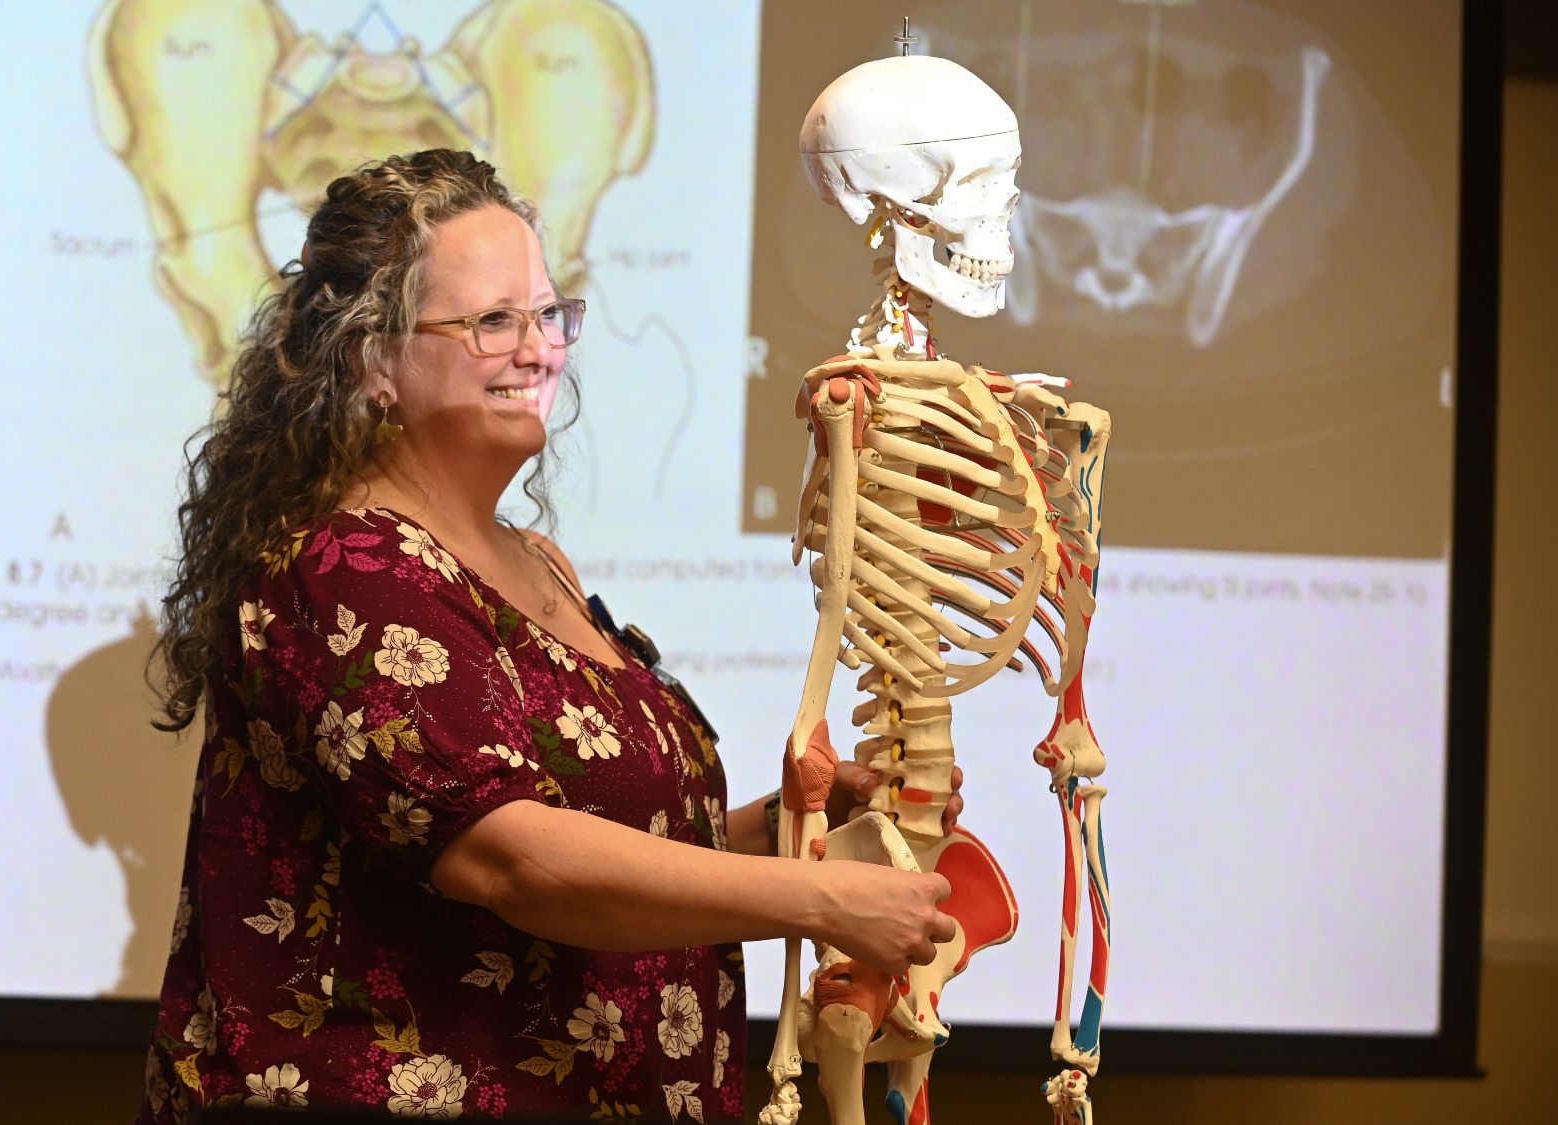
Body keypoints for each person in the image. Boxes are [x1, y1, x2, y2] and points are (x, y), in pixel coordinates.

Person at [136, 149, 962, 1123]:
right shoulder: (339, 566)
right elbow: (508, 858)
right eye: (491, 321)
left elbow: (618, 845)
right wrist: (817, 902)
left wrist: (795, 830)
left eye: (546, 316)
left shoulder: (540, 565)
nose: (536, 350)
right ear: (373, 361)